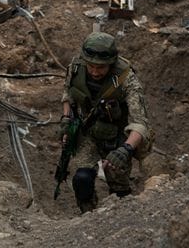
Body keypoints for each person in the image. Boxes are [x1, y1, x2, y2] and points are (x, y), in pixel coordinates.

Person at [59, 32, 154, 213]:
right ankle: (88, 214)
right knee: (82, 179)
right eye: (91, 66)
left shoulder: (127, 79)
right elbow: (68, 94)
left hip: (116, 137)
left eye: (101, 68)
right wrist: (66, 119)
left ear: (111, 63)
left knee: (120, 190)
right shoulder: (76, 68)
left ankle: (120, 219)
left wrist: (125, 149)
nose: (95, 72)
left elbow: (141, 123)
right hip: (88, 133)